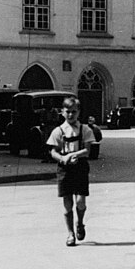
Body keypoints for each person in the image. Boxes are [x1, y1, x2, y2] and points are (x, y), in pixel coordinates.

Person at [47, 97, 95, 247]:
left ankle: (80, 223)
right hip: (65, 169)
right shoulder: (59, 131)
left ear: (79, 112)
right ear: (62, 112)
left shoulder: (85, 129)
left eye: (74, 112)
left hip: (80, 167)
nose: (70, 115)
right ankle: (70, 233)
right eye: (67, 112)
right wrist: (63, 158)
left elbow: (87, 150)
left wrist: (74, 155)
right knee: (67, 204)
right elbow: (53, 151)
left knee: (80, 202)